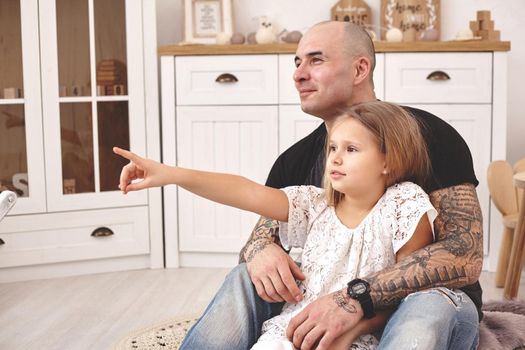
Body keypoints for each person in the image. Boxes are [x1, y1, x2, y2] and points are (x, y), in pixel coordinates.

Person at [180, 21, 483, 350]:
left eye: (316, 60)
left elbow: (464, 253)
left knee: (427, 303)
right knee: (243, 277)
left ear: (359, 68)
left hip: (427, 302)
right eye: (297, 63)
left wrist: (354, 299)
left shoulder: (430, 137)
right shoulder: (293, 162)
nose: (298, 75)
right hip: (326, 297)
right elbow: (260, 229)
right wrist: (259, 252)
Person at [114, 100, 438, 349]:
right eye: (333, 148)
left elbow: (407, 289)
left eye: (351, 149)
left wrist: (354, 326)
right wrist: (171, 174)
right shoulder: (314, 205)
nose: (335, 159)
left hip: (353, 337)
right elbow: (244, 190)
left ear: (388, 160)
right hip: (292, 332)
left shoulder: (404, 205)